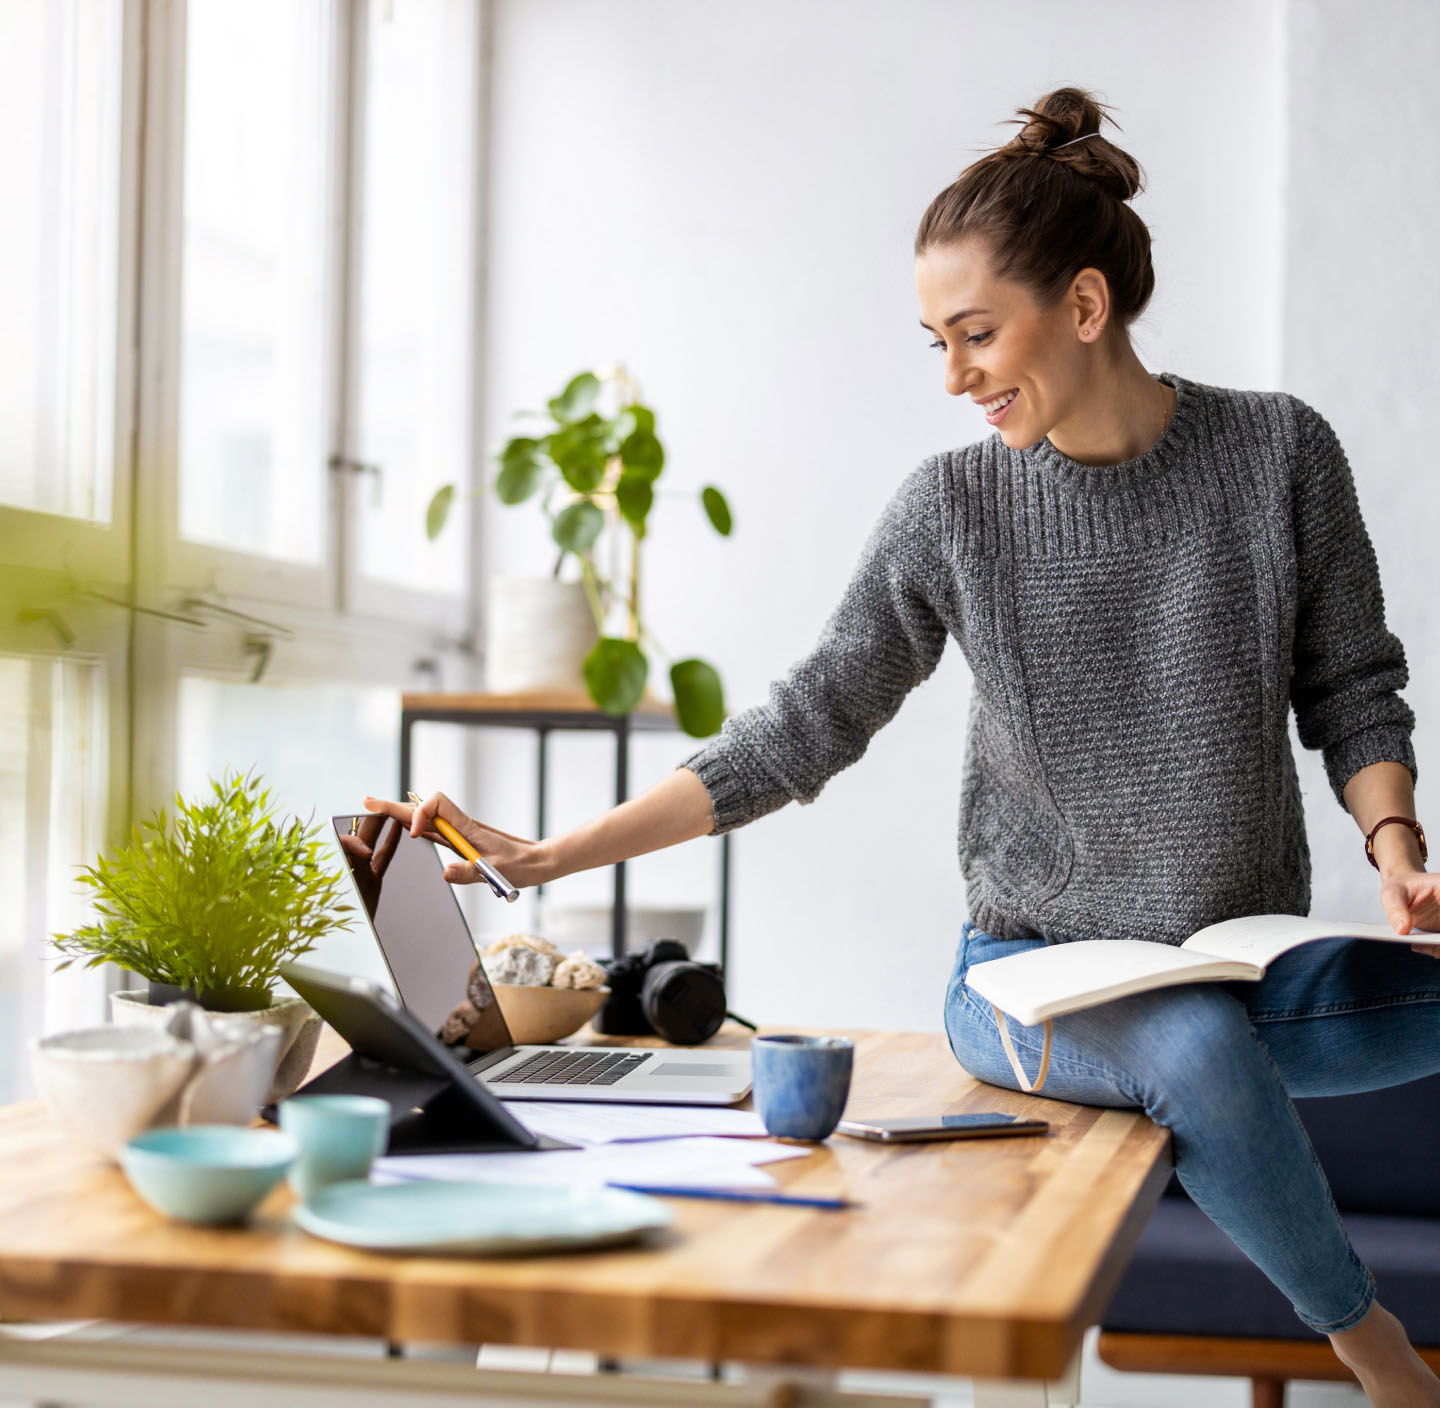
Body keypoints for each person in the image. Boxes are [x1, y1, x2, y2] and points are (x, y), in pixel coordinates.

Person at [365, 87, 1440, 1407]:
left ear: (1086, 308)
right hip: (1029, 984)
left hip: (1234, 968)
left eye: (976, 335)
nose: (955, 378)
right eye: (936, 343)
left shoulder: (1281, 453)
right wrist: (546, 855)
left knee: (1218, 1037)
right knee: (1202, 1060)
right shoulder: (954, 508)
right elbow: (800, 727)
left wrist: (1394, 846)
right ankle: (1378, 1358)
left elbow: (1352, 686)